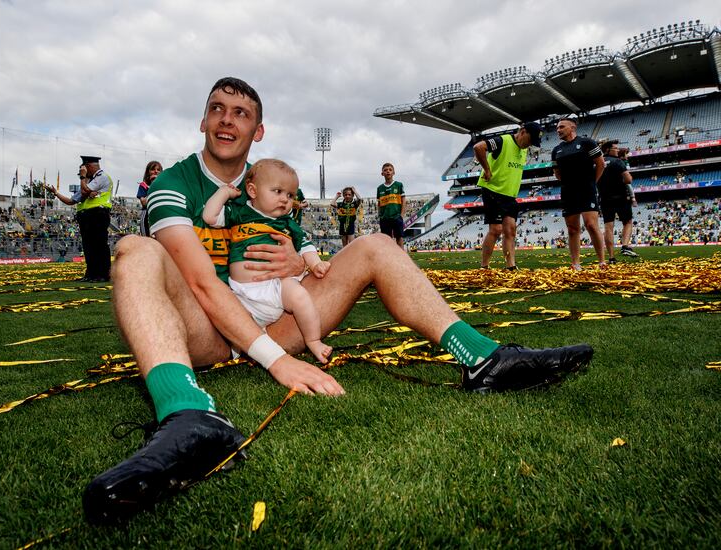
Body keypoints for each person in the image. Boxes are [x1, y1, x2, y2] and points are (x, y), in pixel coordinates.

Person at [82, 77, 594, 525]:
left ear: (257, 132)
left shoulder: (271, 182)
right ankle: (189, 412)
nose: (226, 120)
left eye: (241, 113)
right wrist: (278, 361)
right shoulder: (173, 183)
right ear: (203, 120)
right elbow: (199, 281)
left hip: (277, 315)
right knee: (134, 250)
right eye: (217, 108)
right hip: (202, 331)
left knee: (375, 245)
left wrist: (301, 262)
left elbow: (307, 251)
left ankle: (480, 358)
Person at [202, 158, 332, 363]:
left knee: (300, 297)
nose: (285, 200)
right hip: (240, 296)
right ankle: (244, 345)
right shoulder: (240, 212)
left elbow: (305, 245)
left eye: (290, 195)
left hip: (276, 289)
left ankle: (314, 340)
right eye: (277, 191)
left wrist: (315, 263)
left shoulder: (287, 223)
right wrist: (224, 192)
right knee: (220, 316)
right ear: (253, 191)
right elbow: (210, 216)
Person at [474, 122, 543, 270]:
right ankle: (484, 266)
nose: (529, 145)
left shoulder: (524, 150)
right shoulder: (503, 141)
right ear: (523, 132)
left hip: (509, 195)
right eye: (530, 141)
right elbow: (479, 147)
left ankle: (510, 266)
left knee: (511, 230)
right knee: (496, 229)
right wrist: (486, 169)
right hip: (493, 191)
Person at [44, 155, 113, 281]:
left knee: (99, 245)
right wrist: (56, 193)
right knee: (88, 246)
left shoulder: (102, 177)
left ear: (89, 166)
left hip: (98, 213)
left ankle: (103, 274)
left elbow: (85, 191)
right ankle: (91, 274)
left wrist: (83, 178)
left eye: (83, 169)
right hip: (86, 215)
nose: (82, 174)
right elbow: (71, 201)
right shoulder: (90, 181)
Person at [551, 118, 606, 270]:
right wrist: (568, 183)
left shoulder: (587, 143)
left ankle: (602, 261)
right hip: (568, 192)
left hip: (587, 190)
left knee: (591, 225)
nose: (558, 130)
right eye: (557, 128)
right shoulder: (556, 150)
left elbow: (601, 164)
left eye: (562, 127)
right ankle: (575, 264)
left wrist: (592, 182)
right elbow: (557, 172)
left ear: (572, 127)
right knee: (572, 229)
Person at [597, 142, 638, 263]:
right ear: (608, 149)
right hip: (620, 197)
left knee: (608, 227)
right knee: (628, 221)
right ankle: (625, 246)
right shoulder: (617, 161)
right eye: (615, 148)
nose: (617, 150)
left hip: (604, 198)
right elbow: (628, 179)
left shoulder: (597, 162)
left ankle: (611, 257)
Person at [376, 163, 406, 246]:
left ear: (394, 172)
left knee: (399, 238)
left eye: (390, 169)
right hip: (385, 218)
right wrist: (380, 215)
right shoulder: (379, 188)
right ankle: (388, 258)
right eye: (385, 170)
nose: (388, 171)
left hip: (396, 216)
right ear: (382, 173)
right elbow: (379, 203)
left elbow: (403, 200)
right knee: (386, 240)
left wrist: (402, 215)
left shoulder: (399, 185)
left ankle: (401, 258)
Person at [136, 160, 163, 237]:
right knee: (146, 239)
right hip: (147, 215)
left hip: (160, 215)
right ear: (148, 172)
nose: (156, 171)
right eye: (153, 169)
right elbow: (144, 202)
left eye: (158, 170)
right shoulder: (143, 185)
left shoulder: (164, 185)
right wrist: (153, 185)